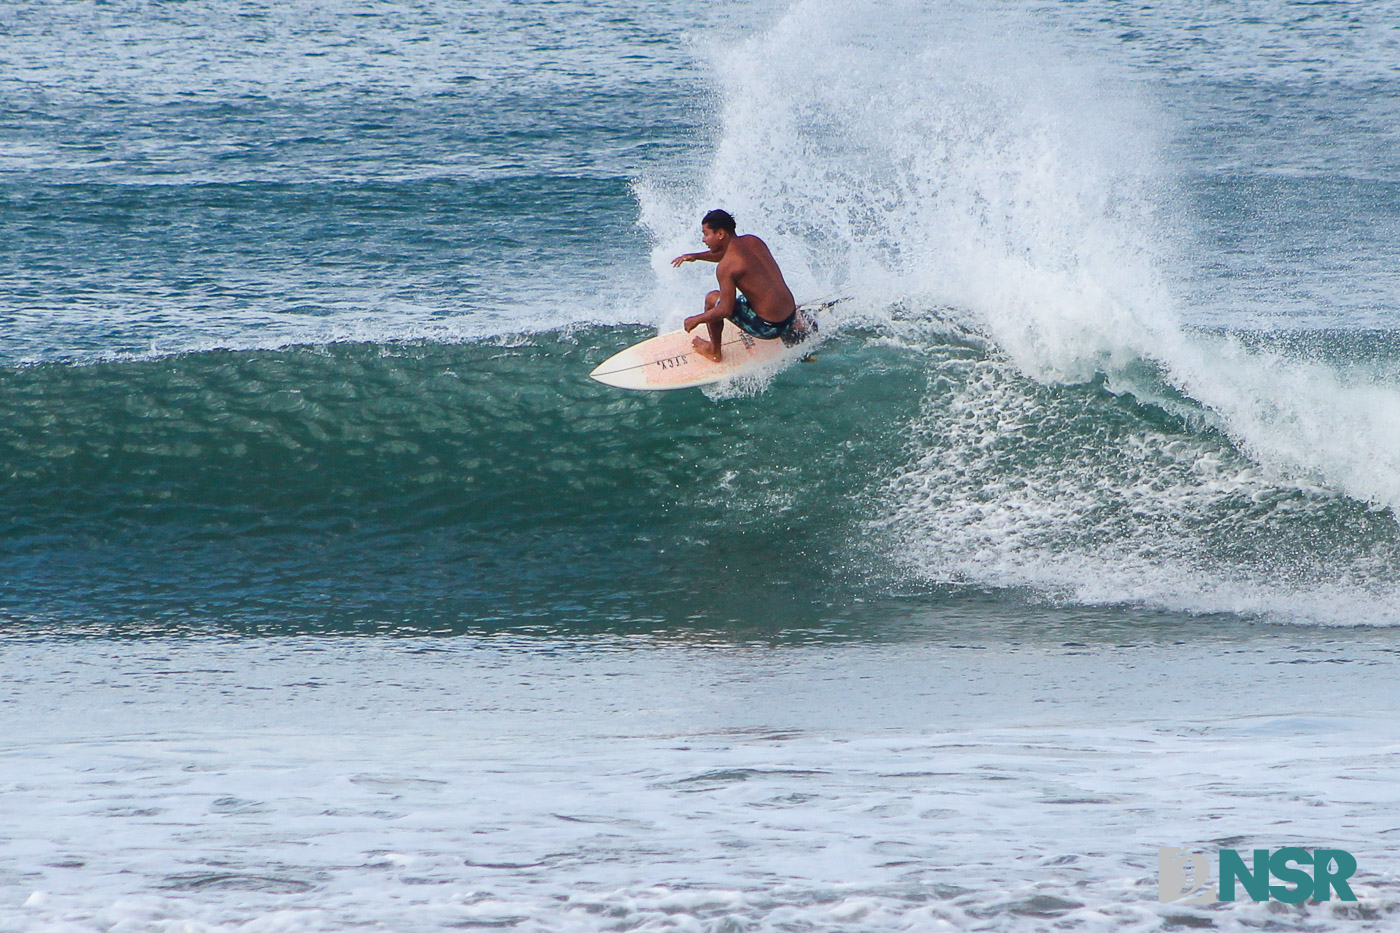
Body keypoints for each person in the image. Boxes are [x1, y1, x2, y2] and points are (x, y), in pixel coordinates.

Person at [671, 209, 803, 362]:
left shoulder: (726, 267)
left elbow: (724, 310)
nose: (703, 239)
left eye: (706, 234)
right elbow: (727, 255)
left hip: (770, 328)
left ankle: (714, 351)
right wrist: (696, 256)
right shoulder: (753, 241)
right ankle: (793, 329)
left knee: (712, 299)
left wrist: (696, 319)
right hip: (791, 315)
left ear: (720, 234)